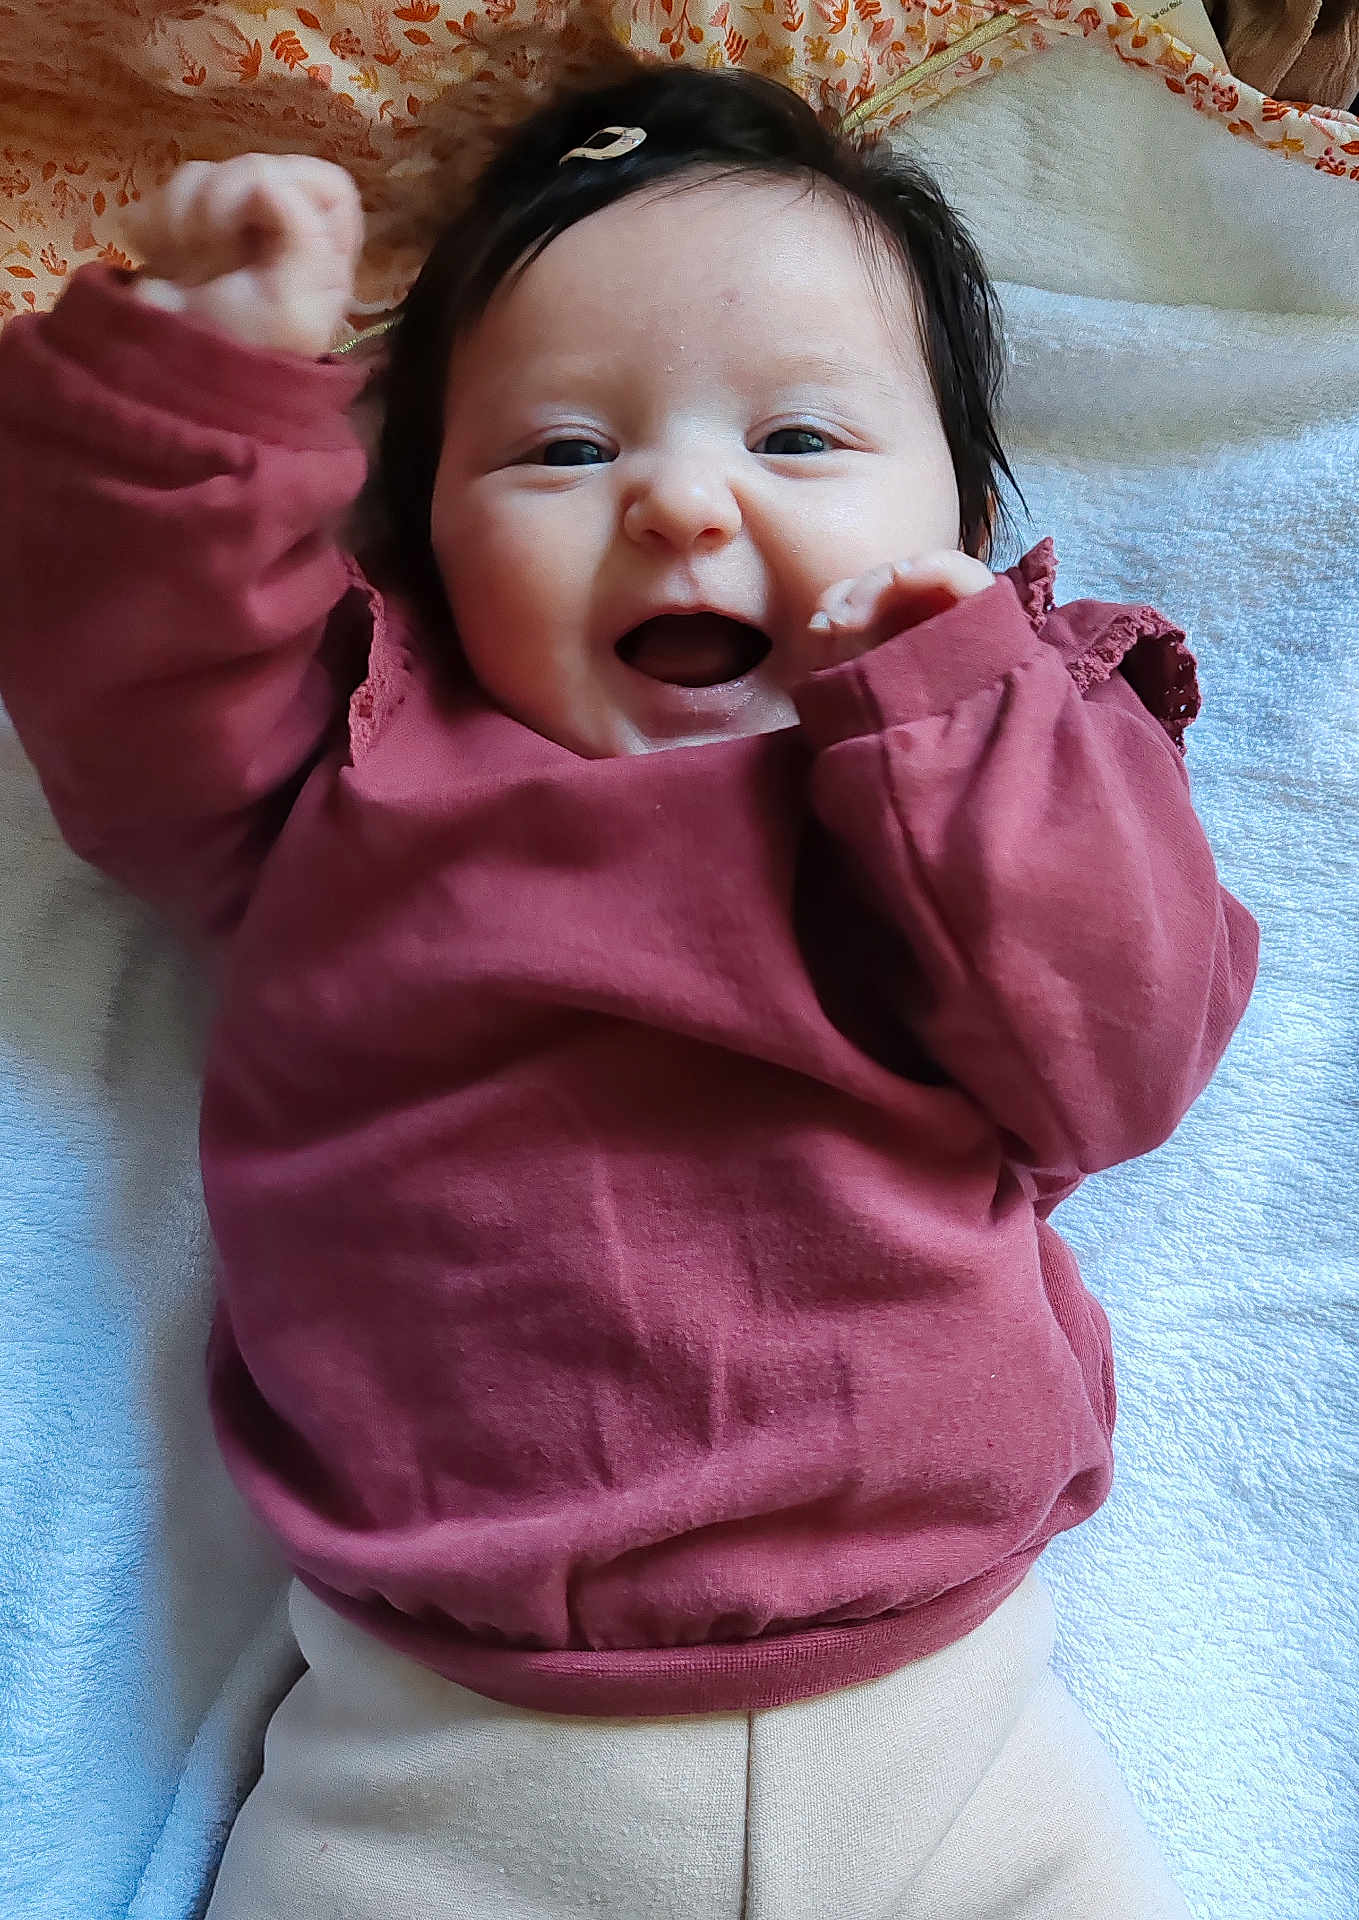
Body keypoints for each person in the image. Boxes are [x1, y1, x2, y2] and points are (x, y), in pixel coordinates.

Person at [0, 56, 1257, 1920]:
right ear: (414, 533)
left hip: (950, 1726)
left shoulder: (996, 763)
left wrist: (965, 705)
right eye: (563, 450)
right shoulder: (349, 763)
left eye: (801, 442)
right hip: (441, 1763)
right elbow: (130, 679)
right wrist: (205, 383)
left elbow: (1126, 1056)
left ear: (965, 520)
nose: (679, 502)